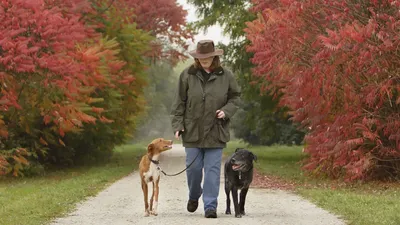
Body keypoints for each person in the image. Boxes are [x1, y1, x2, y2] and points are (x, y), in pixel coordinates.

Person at [170, 39, 241, 218]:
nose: (204, 60)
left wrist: (226, 111)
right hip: (192, 131)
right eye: (201, 57)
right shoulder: (187, 75)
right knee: (193, 170)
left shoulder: (226, 75)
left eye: (207, 56)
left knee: (212, 171)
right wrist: (178, 125)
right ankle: (194, 196)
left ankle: (210, 206)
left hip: (216, 131)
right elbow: (179, 102)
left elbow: (235, 98)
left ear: (214, 56)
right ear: (197, 57)